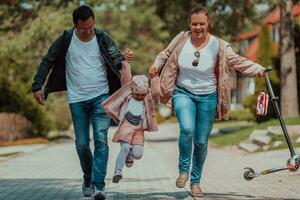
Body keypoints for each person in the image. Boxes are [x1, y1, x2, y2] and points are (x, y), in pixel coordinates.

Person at [149, 5, 265, 198]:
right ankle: (184, 170)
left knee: (201, 142)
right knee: (187, 129)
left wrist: (257, 69)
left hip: (208, 97)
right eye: (194, 23)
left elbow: (237, 61)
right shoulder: (181, 39)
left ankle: (195, 182)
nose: (198, 27)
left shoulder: (218, 45)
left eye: (202, 23)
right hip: (182, 92)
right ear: (189, 23)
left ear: (208, 23)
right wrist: (156, 65)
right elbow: (164, 54)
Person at [31, 5, 134, 200]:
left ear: (94, 22)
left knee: (101, 141)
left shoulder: (102, 37)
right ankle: (88, 177)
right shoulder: (66, 39)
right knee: (82, 145)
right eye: (83, 29)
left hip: (101, 97)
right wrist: (37, 85)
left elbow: (115, 58)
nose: (88, 32)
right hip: (77, 99)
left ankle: (99, 186)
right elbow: (47, 61)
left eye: (91, 27)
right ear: (75, 25)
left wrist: (124, 58)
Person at [101, 61, 160, 184]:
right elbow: (126, 79)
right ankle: (118, 171)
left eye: (142, 95)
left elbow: (156, 93)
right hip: (126, 126)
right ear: (132, 90)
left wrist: (155, 78)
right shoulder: (127, 93)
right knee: (125, 148)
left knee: (138, 154)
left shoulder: (147, 96)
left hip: (139, 129)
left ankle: (131, 156)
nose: (139, 97)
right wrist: (126, 63)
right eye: (137, 95)